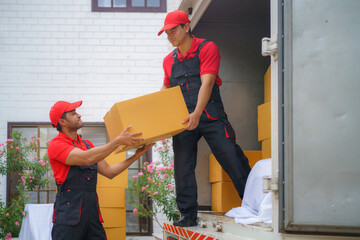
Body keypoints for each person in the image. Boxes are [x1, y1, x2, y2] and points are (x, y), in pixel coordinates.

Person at [158, 10, 251, 227]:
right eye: (166, 33)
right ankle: (188, 214)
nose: (169, 36)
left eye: (173, 31)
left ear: (186, 27)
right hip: (183, 120)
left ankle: (254, 206)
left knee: (231, 156)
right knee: (182, 166)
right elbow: (165, 90)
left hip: (209, 115)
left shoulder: (207, 48)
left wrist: (197, 113)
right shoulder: (168, 61)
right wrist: (156, 121)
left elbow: (207, 82)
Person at [48, 100, 153, 240]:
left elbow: (110, 172)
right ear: (63, 122)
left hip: (92, 216)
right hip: (68, 218)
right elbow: (86, 158)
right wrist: (118, 141)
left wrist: (135, 156)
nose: (79, 115)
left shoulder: (87, 145)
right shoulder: (56, 145)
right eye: (73, 114)